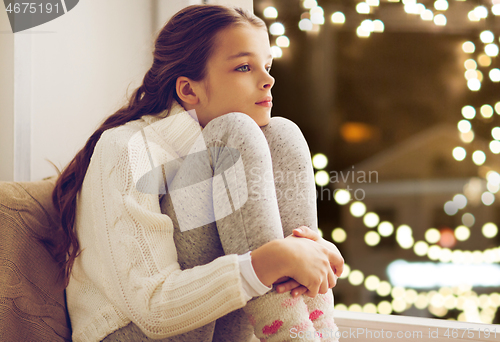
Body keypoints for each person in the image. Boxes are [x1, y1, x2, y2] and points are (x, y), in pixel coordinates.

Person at [52, 4, 344, 342]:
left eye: (267, 65)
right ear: (189, 90)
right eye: (245, 67)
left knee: (282, 133)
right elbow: (154, 312)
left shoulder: (231, 150)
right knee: (235, 133)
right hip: (132, 332)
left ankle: (314, 329)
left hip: (219, 330)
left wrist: (311, 254)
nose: (268, 80)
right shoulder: (126, 148)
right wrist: (268, 262)